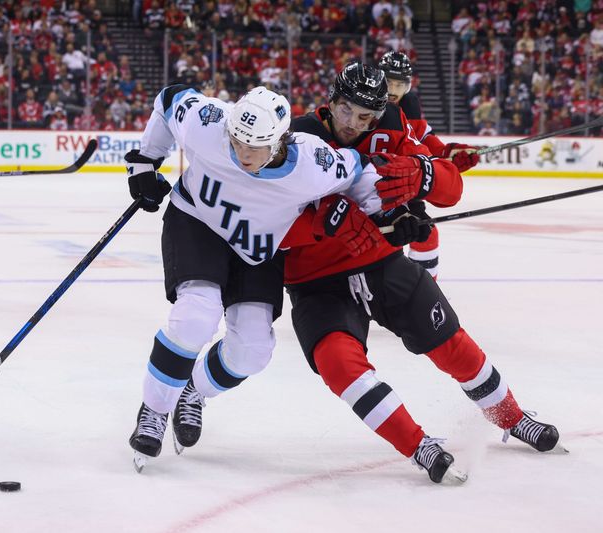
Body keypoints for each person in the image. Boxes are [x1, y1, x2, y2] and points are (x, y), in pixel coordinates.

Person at [174, 64, 564, 484]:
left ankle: (511, 416)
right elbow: (265, 224)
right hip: (316, 282)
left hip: (382, 265)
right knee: (339, 364)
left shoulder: (391, 129)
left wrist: (422, 183)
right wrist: (327, 220)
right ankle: (417, 445)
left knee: (452, 344)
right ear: (331, 101)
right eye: (346, 112)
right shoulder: (296, 139)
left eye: (365, 117)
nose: (353, 125)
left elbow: (449, 188)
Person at [125, 84, 418, 472]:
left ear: (280, 141)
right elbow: (168, 99)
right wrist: (145, 161)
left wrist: (390, 215)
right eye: (237, 142)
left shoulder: (312, 163)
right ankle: (155, 409)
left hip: (256, 248)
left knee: (252, 350)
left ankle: (192, 390)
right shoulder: (209, 122)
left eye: (255, 147)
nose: (242, 154)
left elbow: (359, 172)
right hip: (197, 223)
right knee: (196, 315)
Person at [378, 51, 480, 278]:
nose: (393, 91)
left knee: (426, 233)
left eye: (399, 84)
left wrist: (451, 153)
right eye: (389, 83)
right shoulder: (367, 101)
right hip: (368, 184)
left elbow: (426, 142)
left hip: (404, 183)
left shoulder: (409, 106)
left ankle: (425, 287)